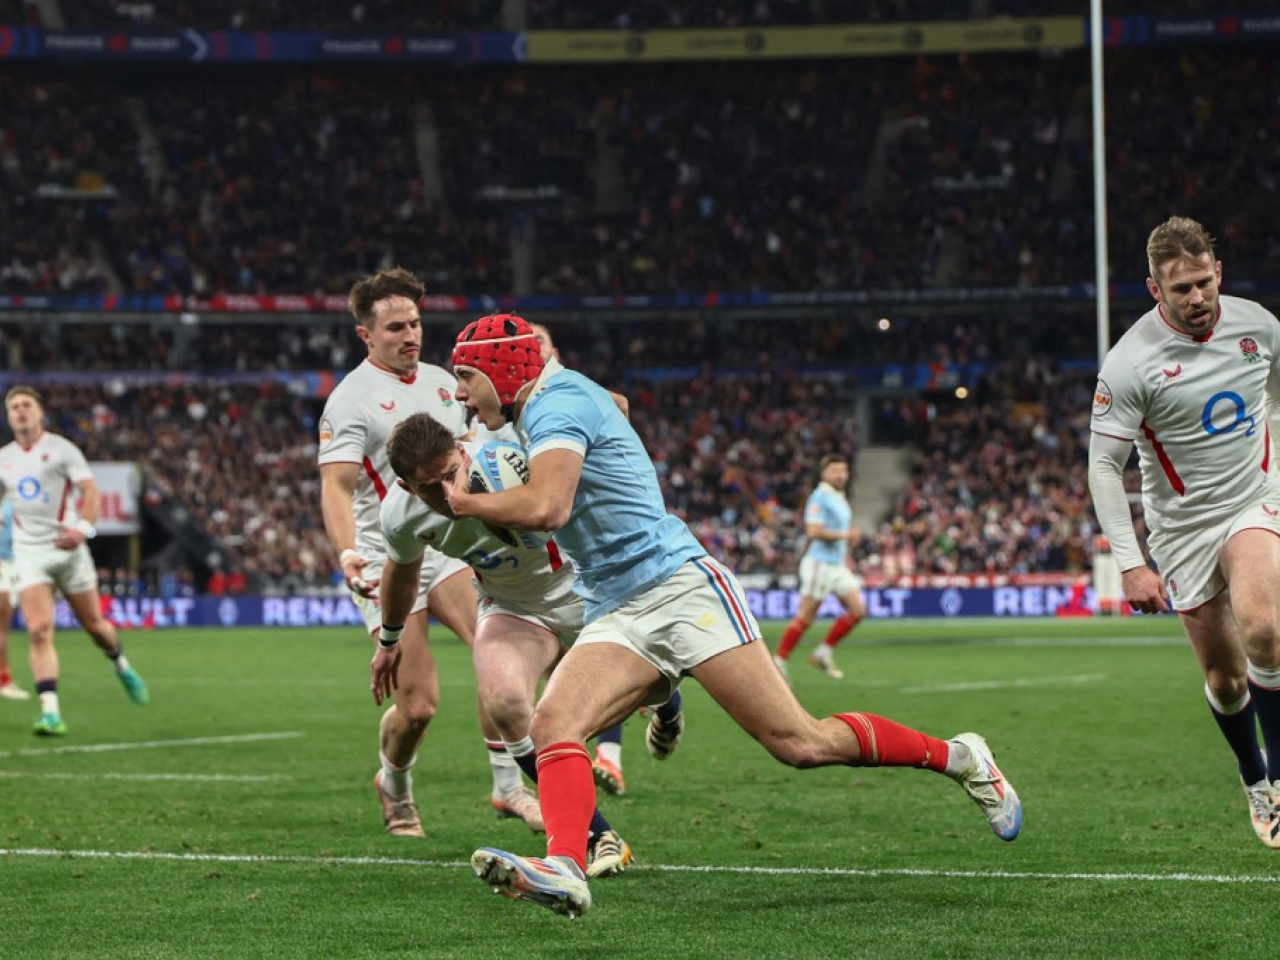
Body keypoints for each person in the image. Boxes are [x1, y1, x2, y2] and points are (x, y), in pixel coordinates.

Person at [444, 315, 1021, 919]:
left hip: (680, 589)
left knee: (800, 743)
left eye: (465, 377)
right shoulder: (551, 406)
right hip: (616, 607)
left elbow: (549, 506)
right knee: (553, 724)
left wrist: (462, 502)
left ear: (501, 370)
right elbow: (614, 403)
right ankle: (565, 867)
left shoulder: (556, 405)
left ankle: (960, 757)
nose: (460, 393)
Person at [318, 267, 541, 838]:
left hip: (448, 545)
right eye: (395, 327)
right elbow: (337, 486)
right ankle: (393, 782)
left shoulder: (445, 381)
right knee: (418, 706)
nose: (410, 334)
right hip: (385, 555)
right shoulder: (350, 401)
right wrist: (347, 554)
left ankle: (508, 786)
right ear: (365, 335)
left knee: (497, 649)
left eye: (415, 322)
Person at [1088, 216, 1280, 848]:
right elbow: (1103, 468)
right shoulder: (1129, 363)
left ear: (1218, 272)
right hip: (1183, 529)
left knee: (1265, 628)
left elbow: (1273, 394)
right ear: (1154, 289)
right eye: (1181, 290)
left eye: (1204, 283)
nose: (1197, 299)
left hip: (1254, 499)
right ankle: (1254, 777)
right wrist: (1129, 563)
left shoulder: (1258, 325)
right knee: (1225, 681)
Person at [372, 411, 631, 876]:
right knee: (507, 702)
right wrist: (389, 639)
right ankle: (598, 834)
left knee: (644, 693)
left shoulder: (511, 446)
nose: (448, 494)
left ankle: (667, 703)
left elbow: (604, 425)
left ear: (462, 449)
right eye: (430, 487)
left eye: (452, 474)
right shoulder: (400, 514)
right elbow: (402, 571)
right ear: (408, 488)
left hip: (586, 590)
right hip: (514, 607)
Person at [528, 321, 651, 796]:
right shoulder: (500, 415)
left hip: (579, 566)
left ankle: (609, 759)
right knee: (561, 675)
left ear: (553, 353)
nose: (530, 352)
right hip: (534, 568)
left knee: (584, 670)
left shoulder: (566, 396)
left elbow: (617, 404)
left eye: (537, 344)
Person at [0, 386, 149, 735]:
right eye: (13, 407)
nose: (20, 411)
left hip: (69, 550)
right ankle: (51, 712)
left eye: (26, 405)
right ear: (8, 417)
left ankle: (121, 664)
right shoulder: (4, 458)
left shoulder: (62, 450)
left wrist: (83, 529)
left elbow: (91, 492)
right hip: (30, 553)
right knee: (38, 629)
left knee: (95, 626)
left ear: (40, 413)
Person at [773, 453, 866, 681]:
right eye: (835, 470)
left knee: (858, 611)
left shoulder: (839, 496)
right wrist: (846, 535)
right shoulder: (819, 497)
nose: (841, 475)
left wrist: (848, 546)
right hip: (819, 565)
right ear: (824, 473)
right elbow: (813, 532)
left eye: (843, 470)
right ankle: (779, 663)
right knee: (806, 616)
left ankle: (823, 652)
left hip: (836, 565)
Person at [0, 497, 31, 700]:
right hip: (3, 563)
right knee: (2, 625)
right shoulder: (11, 504)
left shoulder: (14, 503)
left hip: (11, 563)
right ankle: (4, 682)